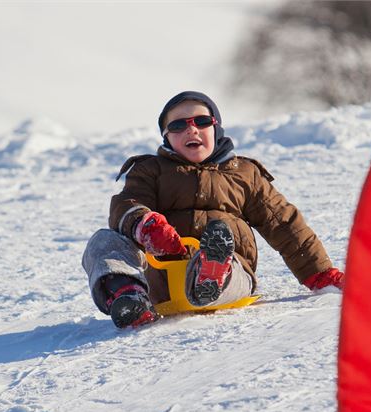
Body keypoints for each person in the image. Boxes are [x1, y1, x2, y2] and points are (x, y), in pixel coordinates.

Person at [82, 91, 344, 328]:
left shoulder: (244, 173)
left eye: (201, 122)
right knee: (103, 241)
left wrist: (318, 272)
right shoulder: (150, 171)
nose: (191, 130)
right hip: (162, 278)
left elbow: (282, 222)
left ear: (216, 128)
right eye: (178, 125)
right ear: (166, 137)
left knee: (224, 257)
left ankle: (211, 274)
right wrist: (146, 225)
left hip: (230, 271)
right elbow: (126, 204)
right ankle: (129, 297)